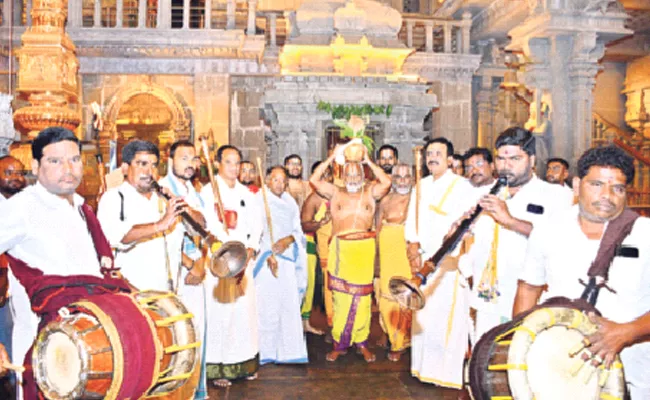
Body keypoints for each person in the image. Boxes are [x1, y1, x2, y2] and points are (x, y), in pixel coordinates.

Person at [0, 127, 130, 399]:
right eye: (55, 161)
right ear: (35, 166)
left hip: (91, 353)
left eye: (74, 159)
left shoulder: (83, 208)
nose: (68, 168)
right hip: (44, 355)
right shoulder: (22, 208)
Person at [514, 146, 650, 398]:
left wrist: (627, 332)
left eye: (617, 188)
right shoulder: (548, 229)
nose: (606, 195)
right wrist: (522, 348)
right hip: (560, 368)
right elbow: (528, 288)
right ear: (577, 185)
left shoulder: (645, 234)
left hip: (634, 367)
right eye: (596, 184)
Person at [457, 128, 573, 345]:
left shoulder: (557, 195)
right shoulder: (482, 193)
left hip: (530, 298)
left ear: (531, 160)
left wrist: (509, 220)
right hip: (487, 298)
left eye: (515, 158)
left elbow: (559, 241)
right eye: (501, 158)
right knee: (486, 362)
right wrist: (459, 229)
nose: (506, 165)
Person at [309, 144, 391, 363]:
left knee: (364, 299)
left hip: (363, 251)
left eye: (357, 173)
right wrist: (332, 158)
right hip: (340, 250)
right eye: (349, 173)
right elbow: (315, 180)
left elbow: (387, 182)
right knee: (341, 299)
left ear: (363, 174)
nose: (353, 177)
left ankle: (362, 342)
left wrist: (368, 161)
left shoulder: (370, 191)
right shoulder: (335, 191)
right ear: (342, 174)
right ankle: (340, 343)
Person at [404, 137, 474, 389]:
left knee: (446, 317)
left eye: (438, 153)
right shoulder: (419, 186)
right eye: (429, 153)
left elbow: (468, 225)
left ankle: (445, 372)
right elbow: (411, 220)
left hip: (447, 263)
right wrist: (411, 244)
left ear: (450, 160)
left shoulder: (462, 186)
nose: (432, 157)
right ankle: (422, 367)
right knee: (423, 313)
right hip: (422, 263)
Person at [200, 145, 262, 387]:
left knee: (244, 315)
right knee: (221, 315)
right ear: (217, 164)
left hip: (244, 261)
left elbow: (256, 225)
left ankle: (244, 363)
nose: (234, 168)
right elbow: (205, 226)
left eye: (237, 163)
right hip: (221, 261)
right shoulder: (207, 192)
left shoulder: (247, 193)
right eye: (228, 162)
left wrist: (250, 249)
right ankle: (219, 368)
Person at [97, 140, 194, 292]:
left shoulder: (164, 198)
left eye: (153, 165)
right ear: (124, 168)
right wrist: (160, 225)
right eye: (142, 164)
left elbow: (200, 226)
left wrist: (181, 206)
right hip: (134, 298)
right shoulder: (113, 198)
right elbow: (118, 237)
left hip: (170, 296)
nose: (149, 172)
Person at [157, 140, 209, 399]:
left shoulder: (193, 190)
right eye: (184, 158)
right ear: (170, 159)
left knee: (195, 332)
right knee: (177, 336)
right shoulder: (163, 190)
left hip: (196, 267)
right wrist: (191, 265)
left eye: (194, 158)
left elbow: (202, 227)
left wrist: (201, 263)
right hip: (177, 272)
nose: (191, 163)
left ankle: (192, 392)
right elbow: (163, 236)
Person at [253, 166, 308, 365]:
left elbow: (298, 231)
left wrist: (288, 240)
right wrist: (267, 252)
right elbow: (253, 231)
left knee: (287, 305)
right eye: (275, 179)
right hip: (266, 261)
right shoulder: (258, 200)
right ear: (267, 180)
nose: (279, 184)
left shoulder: (289, 202)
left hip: (287, 261)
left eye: (282, 180)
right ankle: (265, 351)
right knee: (267, 306)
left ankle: (288, 352)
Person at [375, 163, 413, 362]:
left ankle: (401, 343)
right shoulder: (385, 200)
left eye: (407, 176)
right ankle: (390, 334)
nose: (402, 181)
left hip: (406, 253)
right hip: (387, 252)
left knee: (404, 297)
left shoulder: (418, 200)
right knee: (386, 297)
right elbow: (378, 228)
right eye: (398, 177)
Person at [0, 155, 27, 399]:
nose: (16, 178)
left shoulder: (25, 207)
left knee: (12, 353)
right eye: (8, 173)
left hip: (16, 294)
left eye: (20, 173)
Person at [300, 161, 333, 335]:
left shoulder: (338, 194)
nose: (326, 178)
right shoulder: (313, 199)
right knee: (310, 285)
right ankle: (306, 322)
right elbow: (304, 225)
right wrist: (321, 223)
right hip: (314, 246)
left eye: (329, 174)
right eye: (322, 175)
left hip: (338, 249)